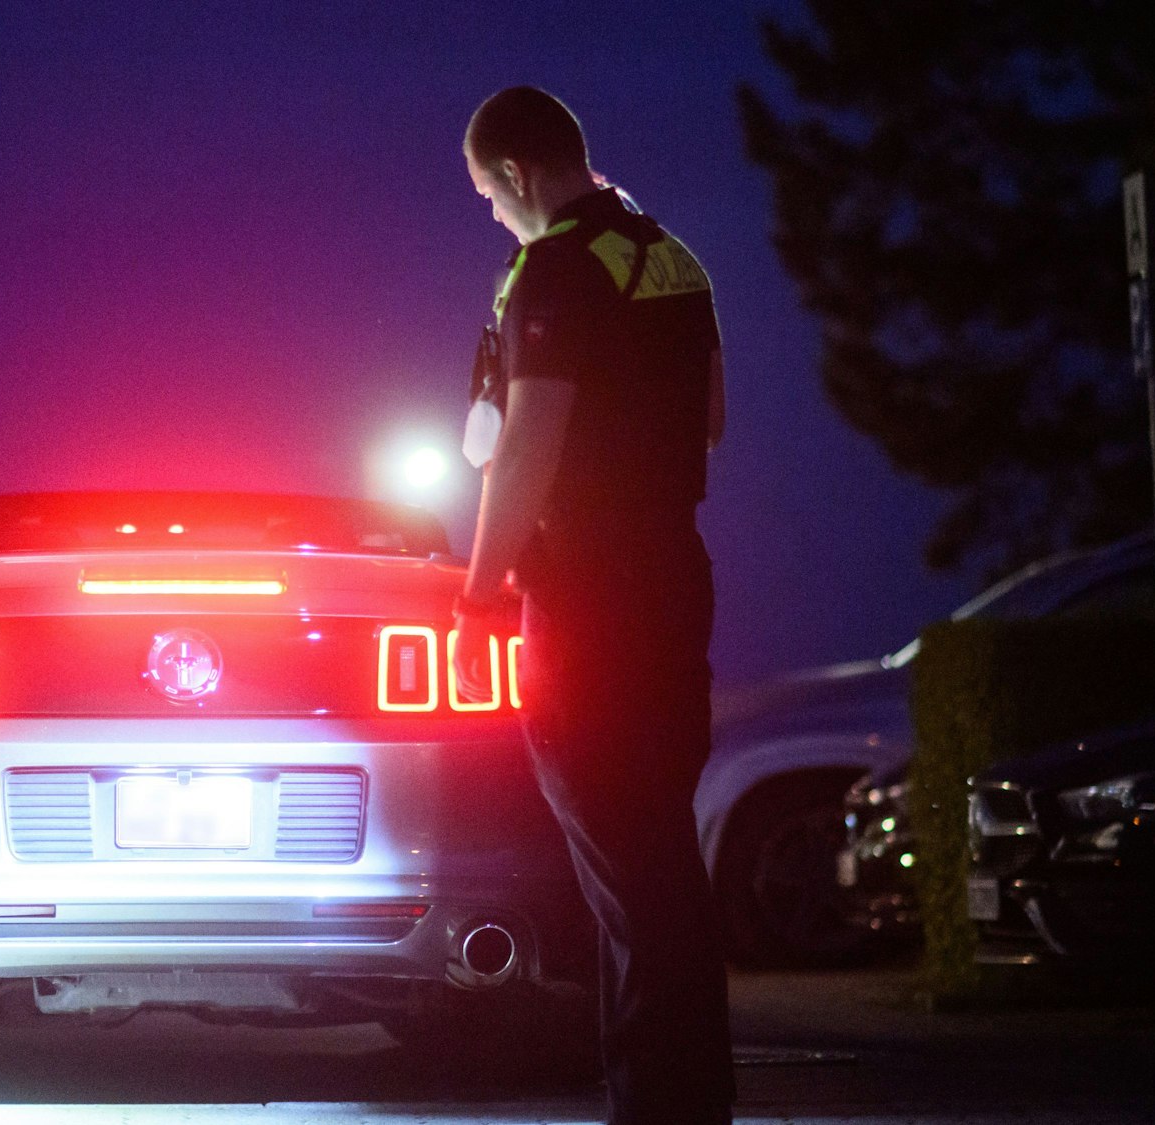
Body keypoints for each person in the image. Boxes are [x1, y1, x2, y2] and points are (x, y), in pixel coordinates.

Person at [450, 86, 732, 1125]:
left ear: (518, 176)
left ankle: (650, 1109)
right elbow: (708, 419)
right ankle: (688, 1104)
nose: (488, 212)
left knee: (623, 879)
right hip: (673, 583)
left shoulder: (550, 270)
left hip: (585, 601)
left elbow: (521, 450)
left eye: (485, 192)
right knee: (661, 862)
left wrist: (480, 599)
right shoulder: (672, 258)